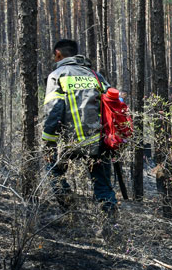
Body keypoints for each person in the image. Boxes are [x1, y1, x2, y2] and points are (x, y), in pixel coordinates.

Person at [42, 39, 117, 215]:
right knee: (103, 185)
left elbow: (54, 110)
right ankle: (110, 227)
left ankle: (70, 212)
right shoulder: (95, 75)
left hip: (70, 142)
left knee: (54, 172)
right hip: (99, 141)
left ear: (58, 53)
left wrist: (48, 142)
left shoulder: (57, 75)